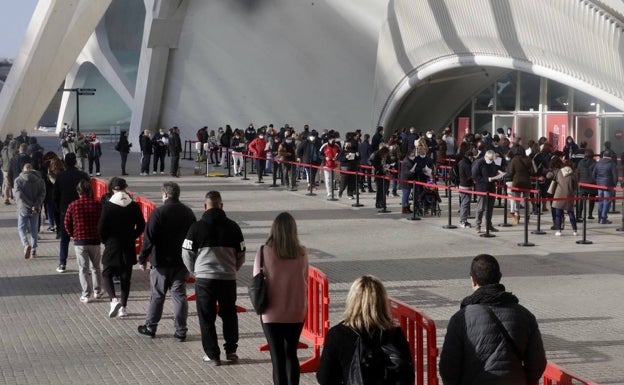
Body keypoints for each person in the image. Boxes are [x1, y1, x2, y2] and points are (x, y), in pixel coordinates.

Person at [439, 254, 547, 385]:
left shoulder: (461, 319)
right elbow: (537, 363)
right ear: (500, 276)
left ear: (472, 280)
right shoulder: (525, 315)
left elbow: (448, 367)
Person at [182, 191, 245, 366]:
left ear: (205, 206)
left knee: (206, 317)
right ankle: (231, 351)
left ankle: (212, 355)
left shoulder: (196, 228)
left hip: (204, 280)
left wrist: (195, 271)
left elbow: (186, 253)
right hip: (227, 278)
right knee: (230, 314)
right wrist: (232, 269)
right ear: (221, 206)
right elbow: (241, 253)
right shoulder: (234, 227)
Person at [317, 275, 414, 385]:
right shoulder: (394, 333)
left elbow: (324, 378)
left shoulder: (337, 334)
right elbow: (407, 375)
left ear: (352, 300)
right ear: (382, 302)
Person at [254, 212, 309, 385]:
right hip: (296, 312)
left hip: (271, 313)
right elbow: (305, 277)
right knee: (291, 353)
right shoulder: (302, 253)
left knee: (277, 358)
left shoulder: (264, 251)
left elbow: (256, 277)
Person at [137, 182, 196, 340]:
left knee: (157, 295)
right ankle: (181, 330)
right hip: (181, 262)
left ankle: (151, 326)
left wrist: (143, 257)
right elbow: (194, 237)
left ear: (165, 195)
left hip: (161, 262)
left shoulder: (158, 213)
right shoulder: (188, 213)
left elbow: (149, 238)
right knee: (179, 295)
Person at [98, 178, 145, 318]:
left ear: (112, 189)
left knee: (107, 273)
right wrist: (133, 236)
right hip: (128, 245)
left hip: (112, 244)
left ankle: (113, 300)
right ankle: (123, 307)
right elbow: (142, 225)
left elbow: (101, 228)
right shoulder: (134, 206)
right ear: (125, 188)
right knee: (126, 278)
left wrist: (106, 240)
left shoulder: (108, 206)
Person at [64, 179, 104, 303]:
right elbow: (103, 222)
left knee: (83, 268)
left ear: (78, 192)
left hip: (80, 240)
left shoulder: (73, 205)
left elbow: (67, 223)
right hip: (95, 240)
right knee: (96, 267)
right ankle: (97, 290)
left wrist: (73, 234)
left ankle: (86, 294)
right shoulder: (97, 205)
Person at [53, 153, 90, 273]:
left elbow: (55, 195)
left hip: (65, 210)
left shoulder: (60, 176)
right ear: (75, 162)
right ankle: (86, 265)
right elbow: (90, 192)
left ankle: (62, 263)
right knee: (84, 238)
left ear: (64, 162)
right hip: (82, 210)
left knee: (64, 239)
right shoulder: (83, 175)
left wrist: (58, 209)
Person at [13, 163, 45, 259]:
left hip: (23, 208)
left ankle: (26, 243)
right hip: (35, 209)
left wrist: (29, 205)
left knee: (21, 228)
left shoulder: (18, 180)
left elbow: (19, 195)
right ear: (32, 169)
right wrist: (35, 205)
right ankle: (34, 251)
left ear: (23, 169)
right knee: (34, 229)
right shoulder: (40, 180)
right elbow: (42, 194)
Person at [472, 150, 500, 233]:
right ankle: (478, 225)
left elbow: (494, 171)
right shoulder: (479, 163)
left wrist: (497, 175)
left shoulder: (492, 163)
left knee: (490, 208)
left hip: (491, 187)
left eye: (492, 159)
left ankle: (489, 225)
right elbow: (475, 176)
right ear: (486, 156)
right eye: (490, 159)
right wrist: (487, 179)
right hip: (482, 188)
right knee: (480, 208)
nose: (491, 161)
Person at [551, 160, 579, 236]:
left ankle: (558, 230)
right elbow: (575, 186)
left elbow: (556, 181)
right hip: (569, 195)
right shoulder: (573, 174)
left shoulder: (559, 172)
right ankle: (574, 230)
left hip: (559, 194)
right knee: (571, 212)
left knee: (558, 214)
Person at [592, 150, 619, 224]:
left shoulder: (598, 163)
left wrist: (597, 182)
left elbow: (593, 174)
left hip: (599, 185)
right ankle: (603, 218)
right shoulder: (612, 163)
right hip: (608, 185)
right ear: (610, 156)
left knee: (601, 201)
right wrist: (614, 185)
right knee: (607, 201)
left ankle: (600, 217)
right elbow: (615, 176)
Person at [576, 148, 597, 220]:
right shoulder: (595, 162)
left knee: (581, 200)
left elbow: (578, 172)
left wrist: (578, 181)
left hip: (582, 183)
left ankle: (579, 214)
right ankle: (590, 214)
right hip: (592, 183)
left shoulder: (580, 162)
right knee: (592, 200)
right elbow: (596, 173)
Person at [1, 139, 17, 204]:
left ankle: (6, 198)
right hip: (12, 170)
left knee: (6, 185)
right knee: (14, 184)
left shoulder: (3, 151)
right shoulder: (14, 151)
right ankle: (14, 198)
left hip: (4, 169)